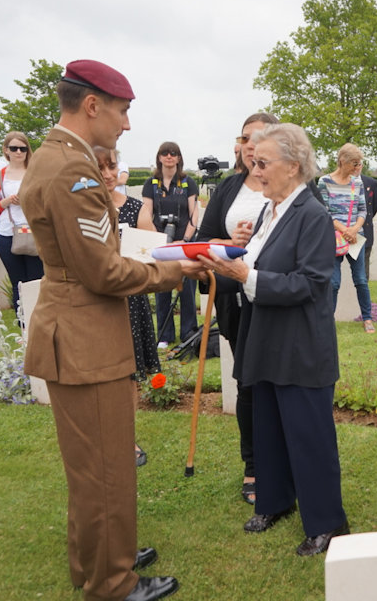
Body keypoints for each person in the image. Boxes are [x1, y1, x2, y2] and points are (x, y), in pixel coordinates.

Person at [20, 59, 202, 601]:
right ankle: (113, 583)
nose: (125, 125)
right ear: (93, 105)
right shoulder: (73, 172)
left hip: (74, 328)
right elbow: (103, 271)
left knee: (92, 464)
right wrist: (177, 270)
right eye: (122, 111)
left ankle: (97, 558)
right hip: (85, 337)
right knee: (106, 467)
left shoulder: (58, 158)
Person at [198, 122, 349, 557]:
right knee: (267, 426)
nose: (256, 170)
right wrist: (232, 257)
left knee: (308, 434)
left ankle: (327, 523)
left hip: (300, 345)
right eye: (253, 161)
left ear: (294, 165)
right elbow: (261, 266)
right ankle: (276, 500)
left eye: (263, 163)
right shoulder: (271, 210)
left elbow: (310, 283)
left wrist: (248, 275)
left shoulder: (313, 215)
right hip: (264, 338)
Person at [196, 111, 277, 506]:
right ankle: (254, 466)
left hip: (279, 304)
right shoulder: (228, 189)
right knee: (247, 384)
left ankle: (284, 461)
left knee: (277, 386)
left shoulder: (295, 186)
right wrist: (228, 242)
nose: (249, 145)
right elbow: (201, 239)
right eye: (245, 138)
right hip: (237, 304)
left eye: (258, 138)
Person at [96, 146, 159, 468]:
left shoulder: (136, 208)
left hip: (129, 300)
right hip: (94, 302)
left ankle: (127, 439)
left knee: (130, 372)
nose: (107, 173)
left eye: (112, 166)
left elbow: (153, 253)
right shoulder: (81, 209)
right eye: (100, 166)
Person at [140, 141, 198, 348]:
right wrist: (157, 239)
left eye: (173, 153)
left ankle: (188, 332)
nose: (169, 157)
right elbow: (146, 212)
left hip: (184, 242)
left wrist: (187, 238)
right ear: (159, 157)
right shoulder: (151, 184)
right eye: (165, 153)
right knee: (162, 287)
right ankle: (164, 335)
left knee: (188, 289)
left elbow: (193, 214)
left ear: (179, 158)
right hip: (161, 242)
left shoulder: (187, 182)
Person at [0, 132, 44, 315]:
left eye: (23, 148)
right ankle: (23, 323)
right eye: (14, 148)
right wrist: (7, 201)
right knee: (17, 281)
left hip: (33, 230)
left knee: (36, 280)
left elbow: (48, 200)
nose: (19, 152)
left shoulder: (36, 172)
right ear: (6, 150)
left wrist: (28, 199)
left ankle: (39, 321)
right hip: (8, 232)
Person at [318, 143, 374, 332]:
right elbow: (324, 212)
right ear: (343, 161)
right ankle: (328, 322)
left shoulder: (357, 182)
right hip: (333, 238)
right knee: (333, 283)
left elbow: (363, 210)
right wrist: (344, 230)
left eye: (359, 164)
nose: (357, 168)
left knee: (361, 280)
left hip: (355, 238)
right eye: (354, 163)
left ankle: (367, 318)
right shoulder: (324, 182)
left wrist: (355, 229)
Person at [360, 172, 377, 279]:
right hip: (343, 230)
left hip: (365, 228)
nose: (356, 167)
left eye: (358, 164)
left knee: (364, 264)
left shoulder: (371, 183)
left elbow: (374, 207)